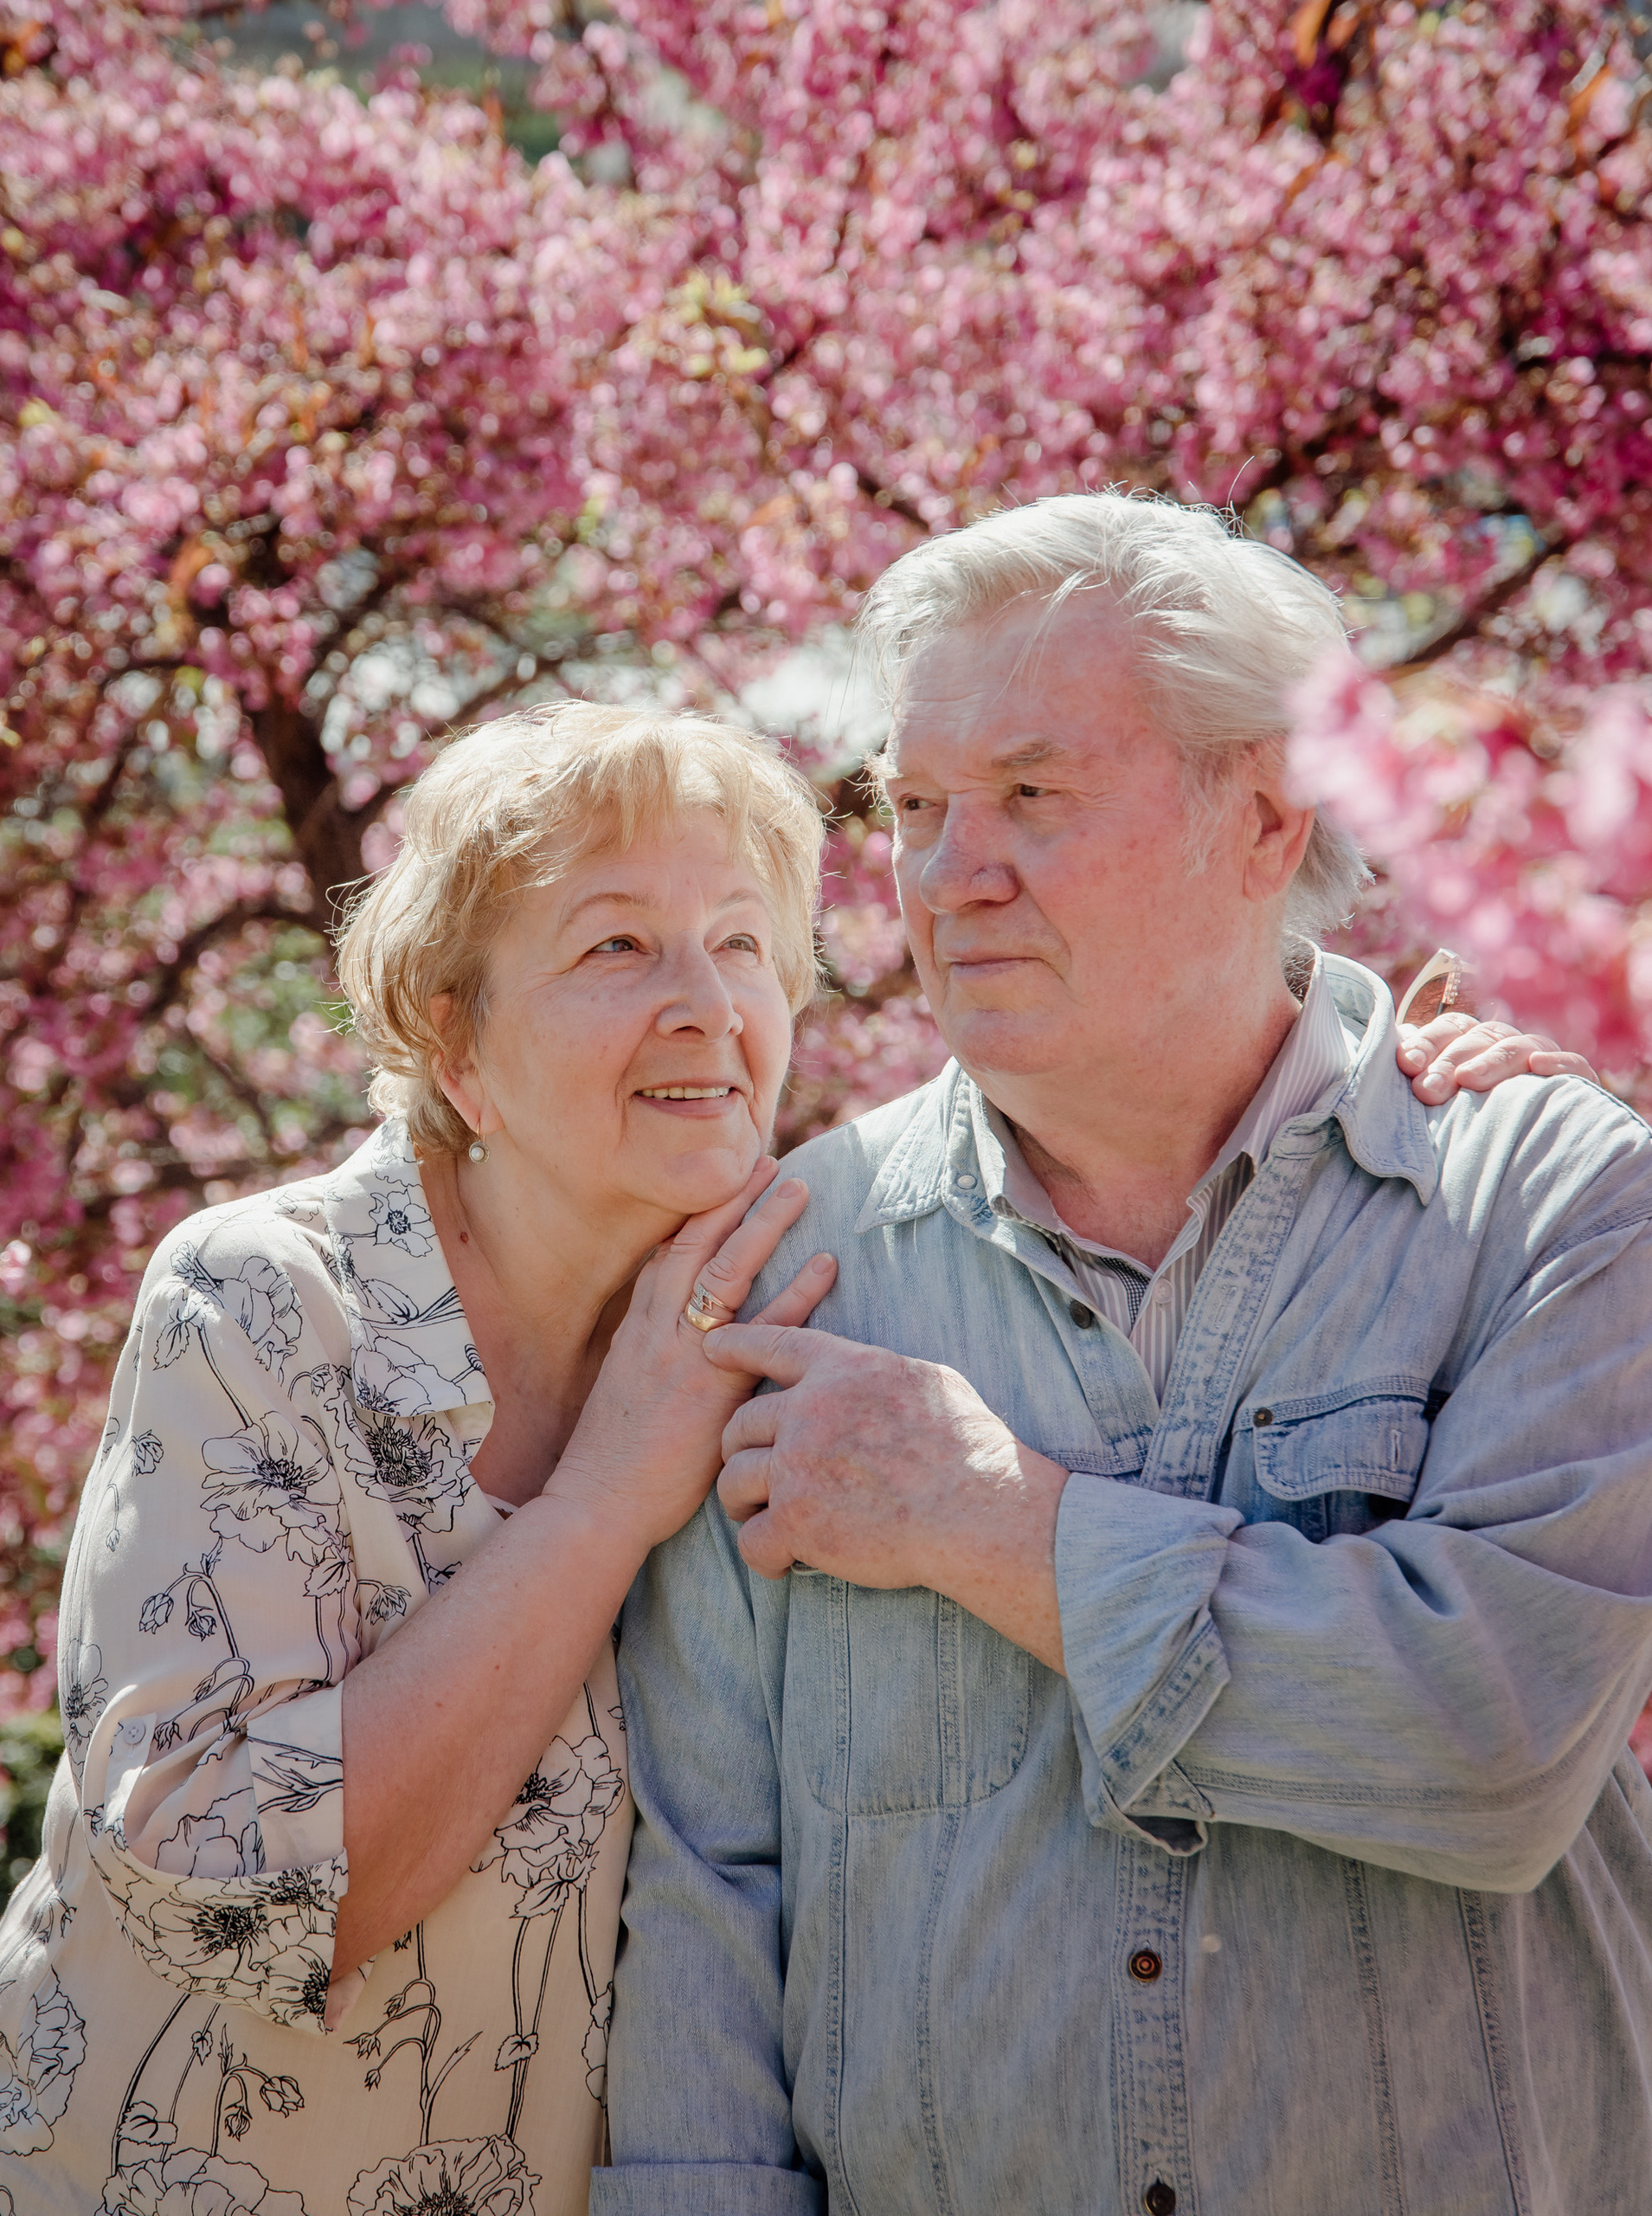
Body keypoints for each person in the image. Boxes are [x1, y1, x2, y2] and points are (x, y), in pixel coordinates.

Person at [0, 692, 1567, 2216]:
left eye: (744, 946)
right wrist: (611, 1495)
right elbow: (249, 1896)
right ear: (450, 1029)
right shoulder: (273, 1302)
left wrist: (1398, 1086)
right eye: (618, 947)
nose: (707, 1008)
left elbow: (1165, 1089)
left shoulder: (782, 1288)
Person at [601, 493, 1652, 2216]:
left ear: (1260, 816)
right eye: (917, 808)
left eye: (1031, 794)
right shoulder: (783, 1263)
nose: (952, 872)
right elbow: (708, 1898)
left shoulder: (1552, 1201)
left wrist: (994, 1524)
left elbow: (1492, 1745)